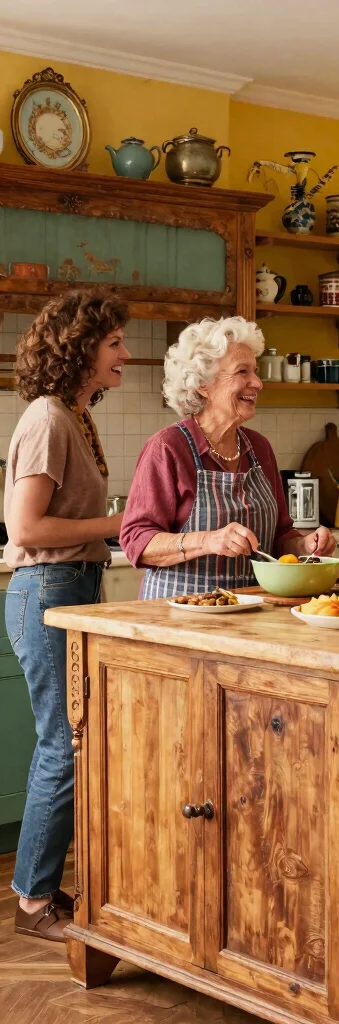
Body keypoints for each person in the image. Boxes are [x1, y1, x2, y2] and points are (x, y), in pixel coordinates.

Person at [6, 290, 130, 941]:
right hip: (47, 589)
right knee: (64, 743)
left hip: (72, 585)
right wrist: (117, 522)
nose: (126, 355)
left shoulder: (75, 416)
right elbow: (24, 525)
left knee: (73, 741)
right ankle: (32, 903)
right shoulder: (48, 419)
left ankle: (45, 887)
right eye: (114, 344)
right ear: (81, 346)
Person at [121, 316, 335, 595]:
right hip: (179, 612)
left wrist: (305, 546)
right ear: (203, 385)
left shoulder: (259, 448)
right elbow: (137, 542)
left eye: (255, 371)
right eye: (242, 372)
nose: (257, 383)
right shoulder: (167, 447)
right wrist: (207, 541)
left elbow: (280, 537)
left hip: (252, 609)